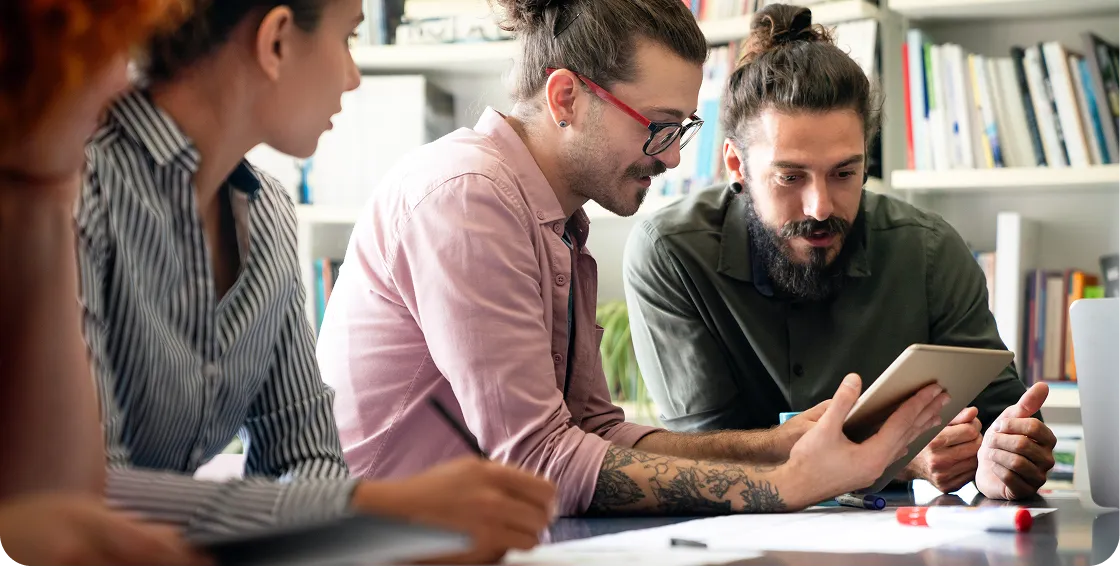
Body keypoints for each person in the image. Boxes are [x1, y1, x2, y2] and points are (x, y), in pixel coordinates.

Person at [316, 0, 948, 518]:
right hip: (375, 541)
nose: (672, 157)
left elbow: (591, 431)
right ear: (565, 98)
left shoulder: (558, 222)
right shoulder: (467, 196)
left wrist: (778, 447)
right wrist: (782, 486)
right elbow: (538, 461)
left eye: (681, 129)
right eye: (657, 125)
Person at [76, 0, 554, 562]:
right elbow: (71, 494)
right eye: (348, 38)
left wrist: (370, 523)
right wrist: (379, 507)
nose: (353, 79)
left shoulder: (271, 218)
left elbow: (306, 460)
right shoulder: (76, 192)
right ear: (276, 40)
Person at [622, 4, 1057, 501]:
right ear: (736, 165)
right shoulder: (671, 254)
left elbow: (1004, 416)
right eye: (791, 176)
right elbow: (707, 454)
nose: (821, 206)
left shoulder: (931, 252)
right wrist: (898, 457)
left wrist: (1005, 454)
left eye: (845, 173)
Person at [0, 0, 203, 564]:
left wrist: (46, 190)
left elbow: (57, 504)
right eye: (96, 48)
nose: (122, 79)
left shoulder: (37, 195)